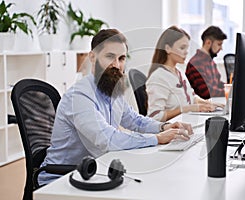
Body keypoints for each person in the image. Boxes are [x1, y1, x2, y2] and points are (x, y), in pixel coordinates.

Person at [38, 29, 192, 185]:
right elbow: (107, 139)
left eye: (122, 58)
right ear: (92, 57)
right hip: (60, 179)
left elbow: (135, 121)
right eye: (110, 57)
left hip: (93, 171)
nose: (117, 65)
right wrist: (157, 139)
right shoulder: (79, 96)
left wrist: (164, 127)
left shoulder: (112, 90)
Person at [146, 26, 222, 122]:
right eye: (182, 48)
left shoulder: (179, 72)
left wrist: (209, 104)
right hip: (172, 131)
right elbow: (155, 117)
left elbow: (192, 97)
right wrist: (186, 109)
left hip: (186, 124)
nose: (186, 52)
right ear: (167, 48)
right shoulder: (158, 77)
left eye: (187, 48)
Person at [185, 25, 227, 99]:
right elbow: (206, 92)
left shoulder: (211, 62)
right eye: (219, 44)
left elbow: (217, 84)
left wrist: (231, 88)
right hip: (202, 107)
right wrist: (228, 92)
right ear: (208, 42)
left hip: (212, 103)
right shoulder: (196, 63)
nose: (221, 48)